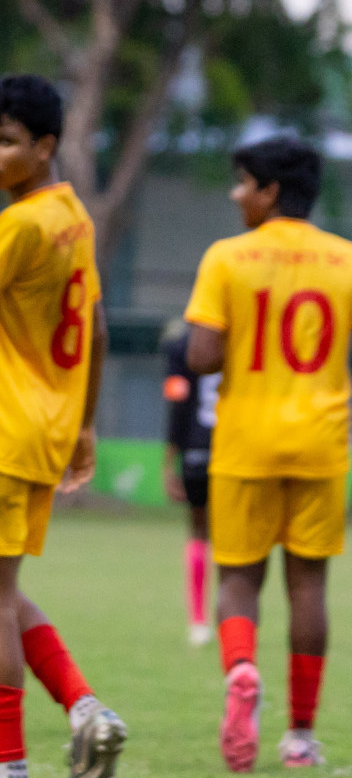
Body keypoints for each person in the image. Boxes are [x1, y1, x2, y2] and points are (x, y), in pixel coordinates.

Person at [0, 75, 124, 778]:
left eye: (5, 143)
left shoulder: (18, 224)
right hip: (42, 429)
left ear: (45, 147)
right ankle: (84, 707)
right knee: (1, 592)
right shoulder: (72, 212)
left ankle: (8, 768)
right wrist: (85, 426)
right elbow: (95, 328)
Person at [183, 135, 351, 772]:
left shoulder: (228, 258)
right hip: (321, 443)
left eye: (243, 183)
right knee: (309, 583)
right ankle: (302, 734)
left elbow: (200, 356)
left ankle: (242, 670)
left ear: (271, 192)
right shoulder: (345, 259)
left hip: (246, 443)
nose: (235, 195)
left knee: (239, 580)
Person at [159, 319, 218, 649]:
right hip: (238, 448)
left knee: (198, 532)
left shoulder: (182, 345)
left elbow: (177, 404)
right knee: (235, 539)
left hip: (196, 449)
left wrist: (169, 461)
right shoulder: (242, 334)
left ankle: (199, 621)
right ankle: (234, 618)